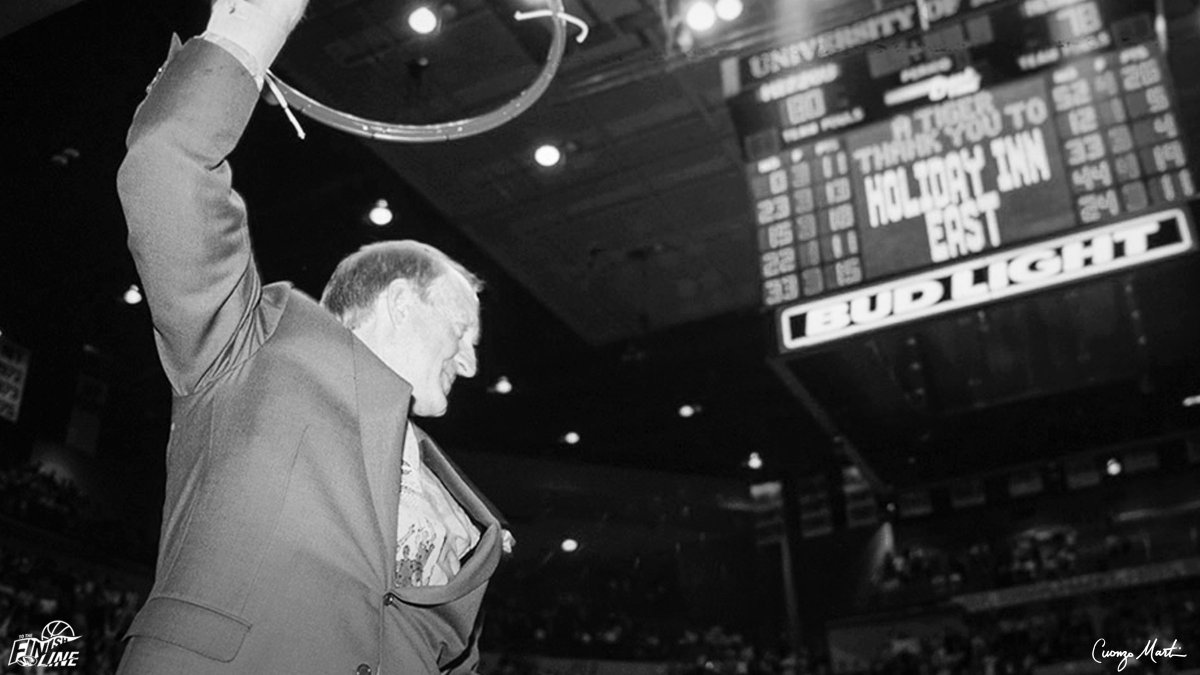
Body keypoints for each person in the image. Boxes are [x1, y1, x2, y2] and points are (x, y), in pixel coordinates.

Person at [115, 0, 508, 672]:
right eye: (462, 328)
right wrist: (251, 28)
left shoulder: (469, 522)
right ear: (402, 302)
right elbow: (166, 165)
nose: (470, 363)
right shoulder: (252, 348)